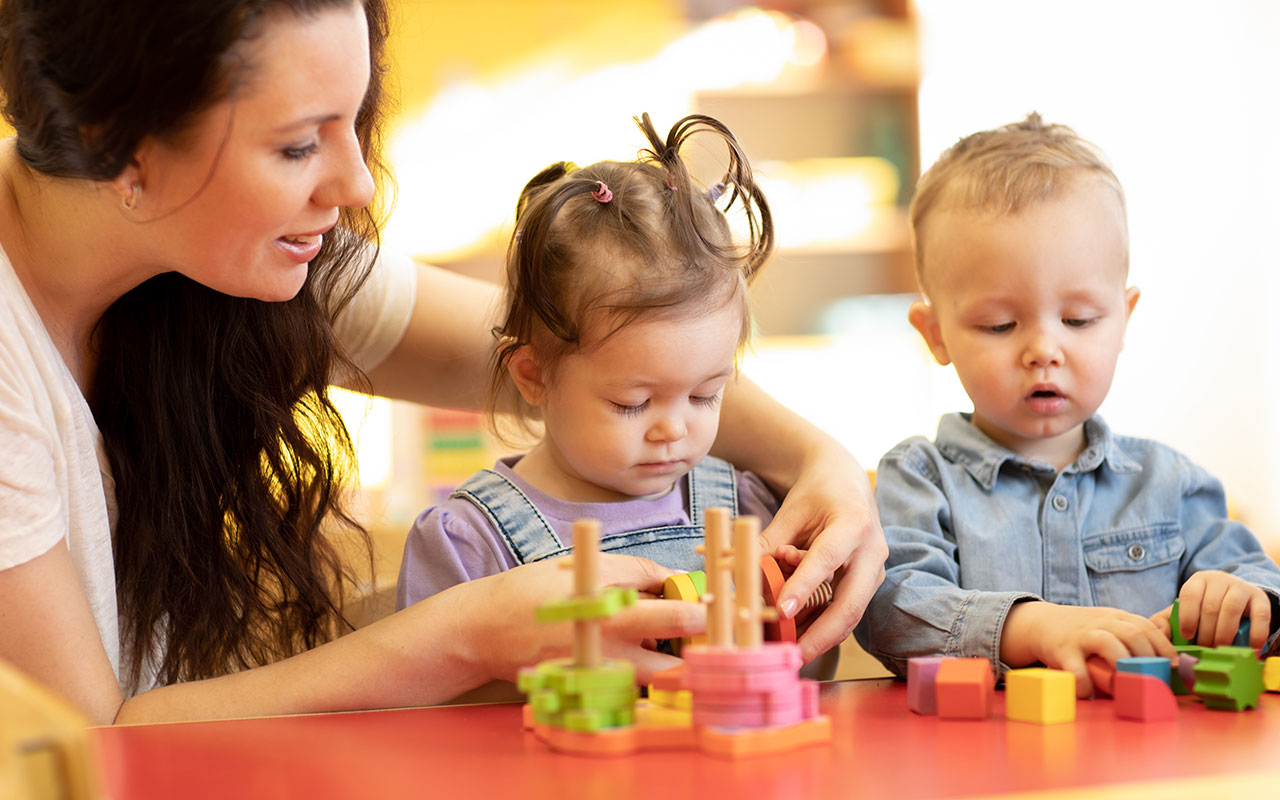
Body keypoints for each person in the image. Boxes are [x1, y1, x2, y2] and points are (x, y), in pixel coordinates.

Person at [0, 0, 884, 725]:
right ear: (117, 140)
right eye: (298, 145)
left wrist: (825, 466)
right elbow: (89, 740)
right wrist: (458, 636)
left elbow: (597, 352)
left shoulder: (243, 250)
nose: (352, 186)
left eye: (353, 121)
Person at [854, 114, 1280, 696]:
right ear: (936, 335)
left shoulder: (1169, 483)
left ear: (1124, 319)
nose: (1043, 350)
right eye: (999, 324)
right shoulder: (919, 479)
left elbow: (1255, 586)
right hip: (988, 776)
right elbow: (892, 610)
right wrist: (1030, 628)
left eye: (1078, 319)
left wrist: (1244, 600)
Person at [396, 113, 843, 656]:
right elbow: (424, 712)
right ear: (534, 376)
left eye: (706, 394)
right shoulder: (468, 543)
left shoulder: (749, 510)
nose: (674, 429)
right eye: (632, 403)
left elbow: (803, 675)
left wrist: (802, 603)